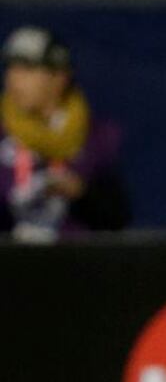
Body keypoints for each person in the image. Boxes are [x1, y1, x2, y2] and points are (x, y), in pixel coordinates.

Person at [0, 26, 127, 242]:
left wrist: (81, 193)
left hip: (73, 264)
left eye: (27, 69)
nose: (13, 78)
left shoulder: (97, 136)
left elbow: (118, 218)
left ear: (59, 77)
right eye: (11, 68)